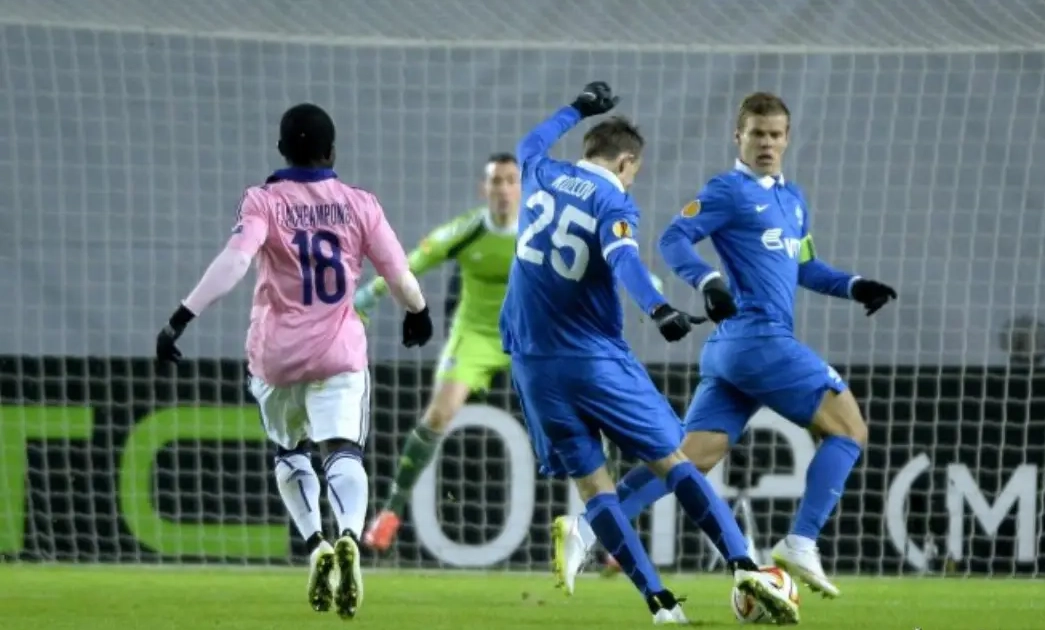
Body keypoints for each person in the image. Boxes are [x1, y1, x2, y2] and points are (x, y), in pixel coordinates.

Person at [553, 92, 898, 601]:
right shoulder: (728, 190)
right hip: (758, 340)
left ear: (787, 139)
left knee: (690, 460)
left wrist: (855, 285)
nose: (766, 143)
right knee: (850, 429)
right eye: (757, 134)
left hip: (733, 354)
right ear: (739, 137)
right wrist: (708, 280)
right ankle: (801, 541)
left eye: (775, 134)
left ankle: (586, 529)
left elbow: (804, 267)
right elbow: (673, 238)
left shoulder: (793, 200)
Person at [502, 82, 800, 624]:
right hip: (593, 360)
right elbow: (624, 261)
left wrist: (576, 108)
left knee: (595, 487)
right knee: (674, 461)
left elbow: (530, 142)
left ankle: (660, 605)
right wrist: (659, 309)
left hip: (531, 365)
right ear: (625, 163)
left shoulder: (539, 172)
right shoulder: (612, 200)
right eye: (633, 173)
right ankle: (744, 566)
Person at [153, 103, 434, 620]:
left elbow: (236, 261)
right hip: (338, 354)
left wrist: (181, 316)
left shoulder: (263, 201)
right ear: (333, 151)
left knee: (290, 452)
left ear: (282, 150)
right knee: (343, 452)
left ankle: (315, 544)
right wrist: (418, 312)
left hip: (276, 358)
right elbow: (397, 271)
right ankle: (348, 534)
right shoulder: (360, 204)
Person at [354, 153, 521, 550]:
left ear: (521, 189)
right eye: (495, 181)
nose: (502, 190)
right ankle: (390, 513)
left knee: (576, 419)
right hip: (476, 336)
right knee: (438, 415)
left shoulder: (539, 232)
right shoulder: (468, 230)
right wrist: (371, 294)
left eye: (510, 181)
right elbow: (412, 263)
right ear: (484, 189)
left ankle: (609, 529)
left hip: (529, 337)